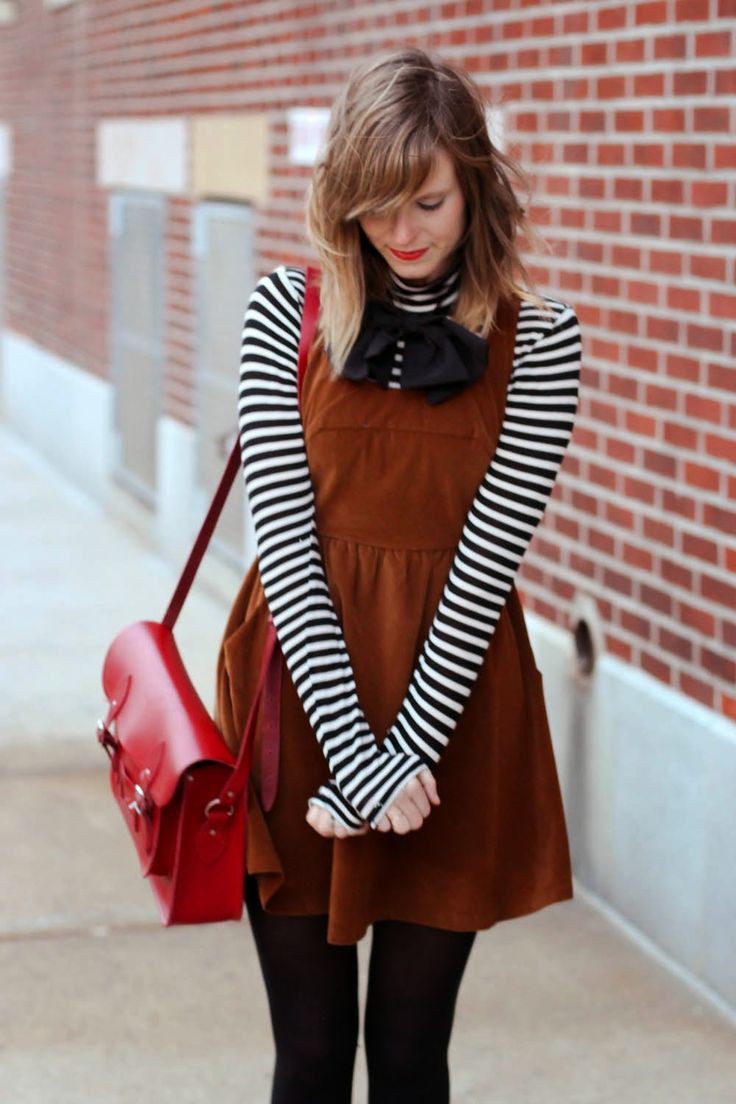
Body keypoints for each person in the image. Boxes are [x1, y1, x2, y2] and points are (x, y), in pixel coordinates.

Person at [215, 44, 582, 1104]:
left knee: (413, 1056)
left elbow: (485, 564)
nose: (403, 233)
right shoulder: (281, 311)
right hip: (298, 703)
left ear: (474, 182)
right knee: (311, 1056)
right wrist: (354, 759)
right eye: (375, 207)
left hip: (451, 715)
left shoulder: (541, 341)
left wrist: (398, 759)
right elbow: (281, 539)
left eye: (426, 200)